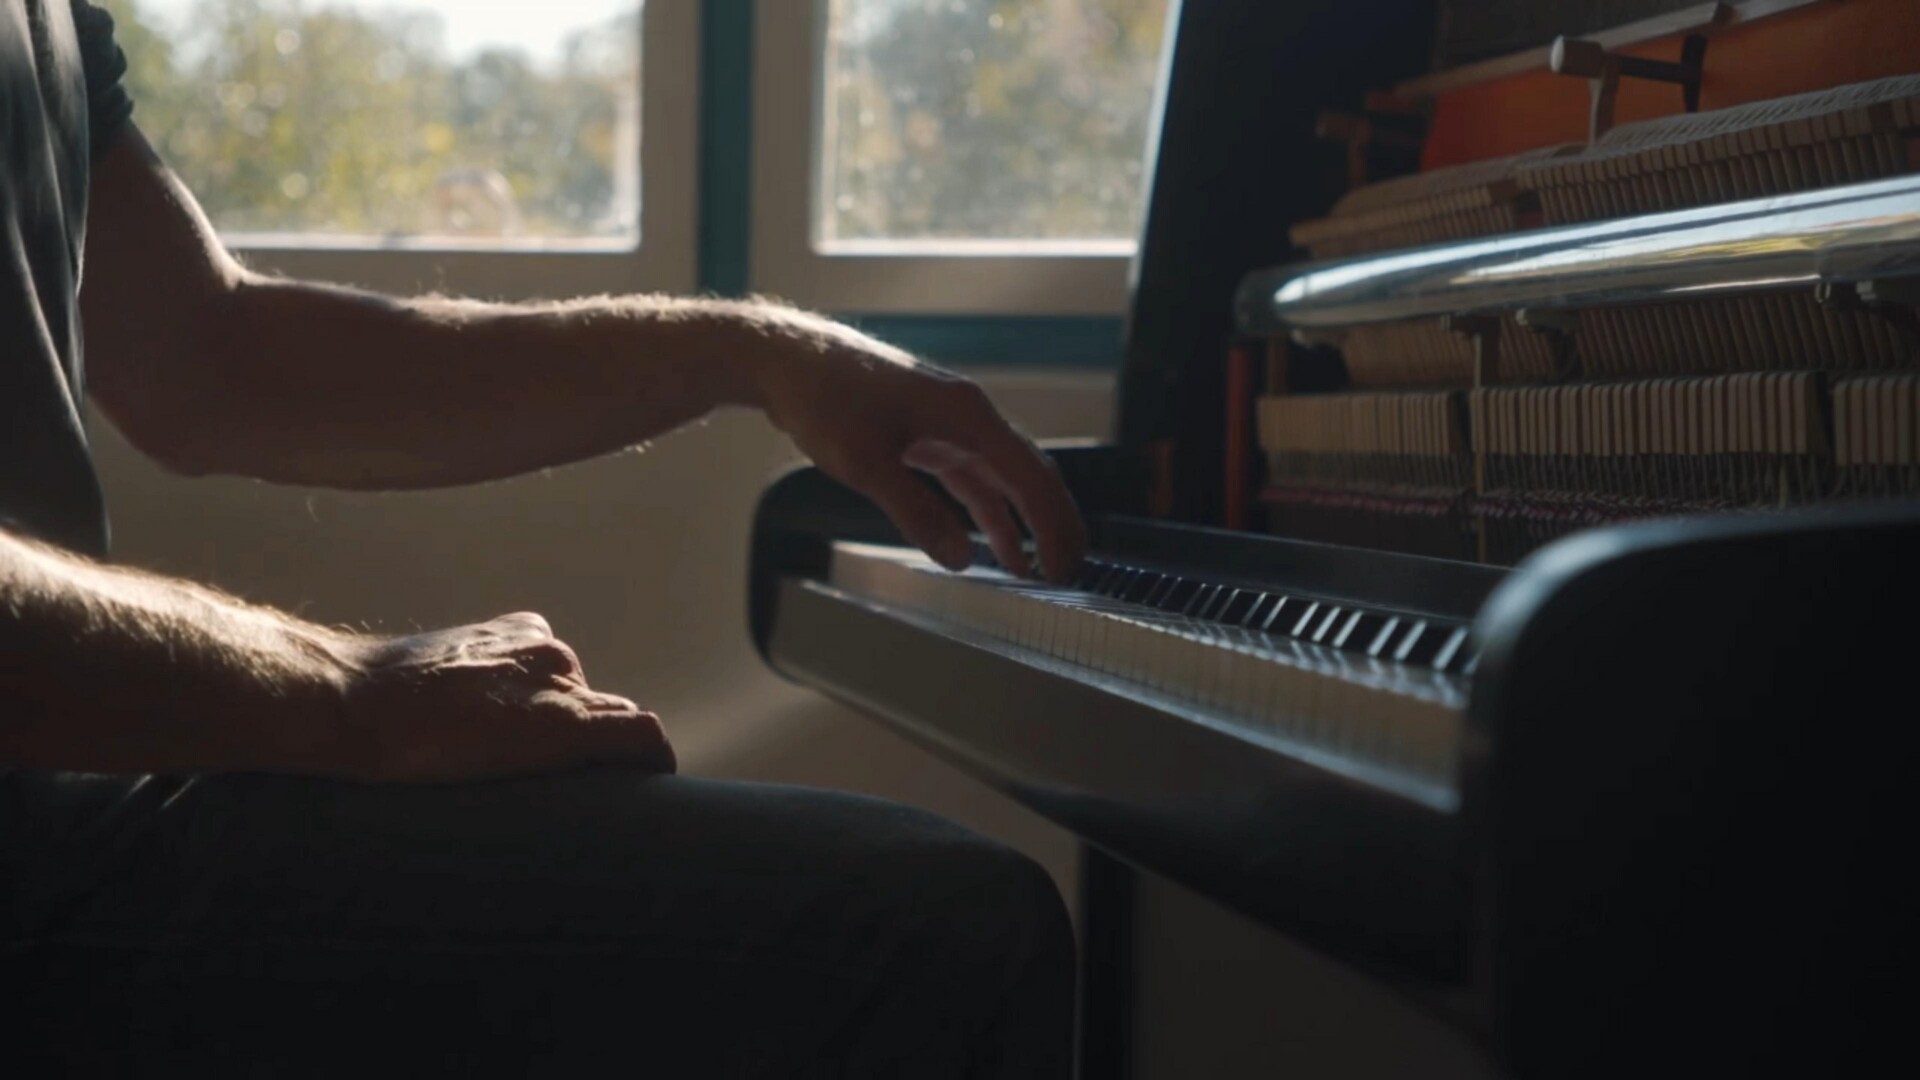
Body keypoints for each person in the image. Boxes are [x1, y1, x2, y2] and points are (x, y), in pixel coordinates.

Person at [1, 2, 1087, 1073]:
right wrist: (350, 693)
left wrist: (761, 354)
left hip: (78, 811)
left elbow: (214, 359)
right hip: (39, 869)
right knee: (938, 938)